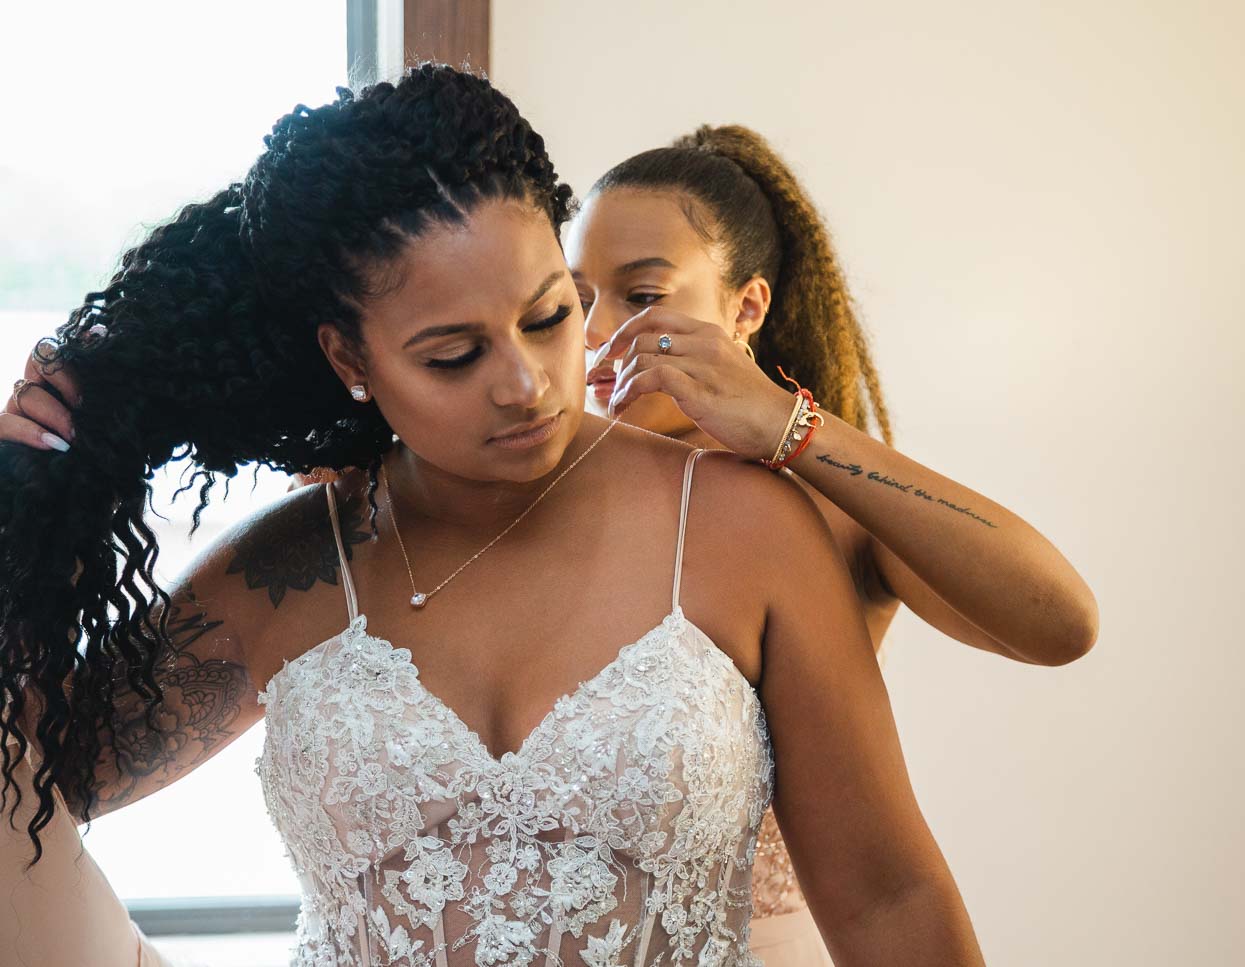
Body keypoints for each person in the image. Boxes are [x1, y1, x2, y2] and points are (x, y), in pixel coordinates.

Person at [0, 66, 982, 965]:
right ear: (350, 359)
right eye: (453, 355)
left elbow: (889, 899)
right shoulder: (292, 570)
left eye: (550, 316)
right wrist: (34, 504)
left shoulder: (742, 527)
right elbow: (40, 784)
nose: (526, 383)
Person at [567, 125, 1099, 962]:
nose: (597, 330)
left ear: (746, 307)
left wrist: (793, 430)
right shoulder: (544, 500)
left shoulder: (821, 510)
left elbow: (1063, 621)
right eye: (573, 298)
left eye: (640, 294)